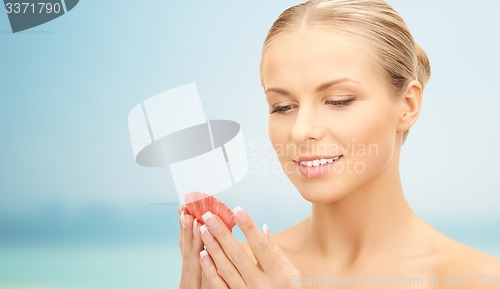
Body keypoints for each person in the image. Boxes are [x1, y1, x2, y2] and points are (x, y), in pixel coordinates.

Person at [178, 0, 500, 288]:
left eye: (337, 101)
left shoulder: (480, 280)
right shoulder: (236, 273)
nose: (301, 131)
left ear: (408, 105)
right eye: (282, 107)